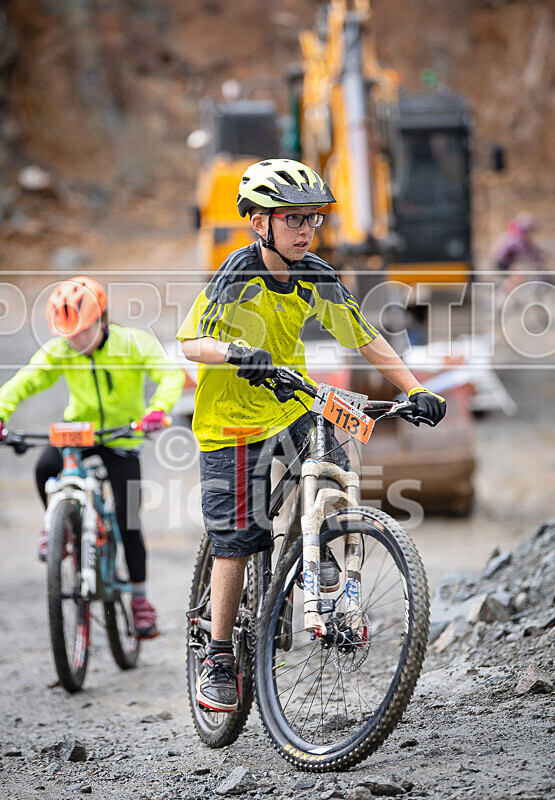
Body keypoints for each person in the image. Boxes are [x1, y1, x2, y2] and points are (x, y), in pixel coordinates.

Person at [176, 158, 446, 712]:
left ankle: (320, 551)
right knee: (238, 539)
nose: (306, 230)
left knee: (332, 458)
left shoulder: (315, 274)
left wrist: (415, 388)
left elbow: (364, 336)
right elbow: (189, 343)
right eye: (293, 219)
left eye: (312, 219)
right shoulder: (237, 272)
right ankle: (220, 654)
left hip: (290, 398)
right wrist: (234, 352)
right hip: (232, 417)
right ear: (259, 223)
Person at [0, 276, 185, 639]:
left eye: (82, 332)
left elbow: (167, 375)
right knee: (44, 467)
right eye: (68, 334)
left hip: (122, 435)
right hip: (80, 431)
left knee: (128, 518)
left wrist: (157, 410)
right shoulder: (61, 350)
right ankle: (60, 529)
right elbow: (24, 381)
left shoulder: (132, 344)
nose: (76, 341)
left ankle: (140, 600)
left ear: (102, 319)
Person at [491, 212, 547, 300]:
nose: (531, 233)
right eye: (530, 230)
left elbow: (531, 247)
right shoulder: (517, 238)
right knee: (517, 276)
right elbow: (525, 252)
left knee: (518, 275)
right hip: (501, 261)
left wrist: (540, 254)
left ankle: (506, 296)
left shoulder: (517, 234)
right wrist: (536, 259)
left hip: (504, 260)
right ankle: (501, 297)